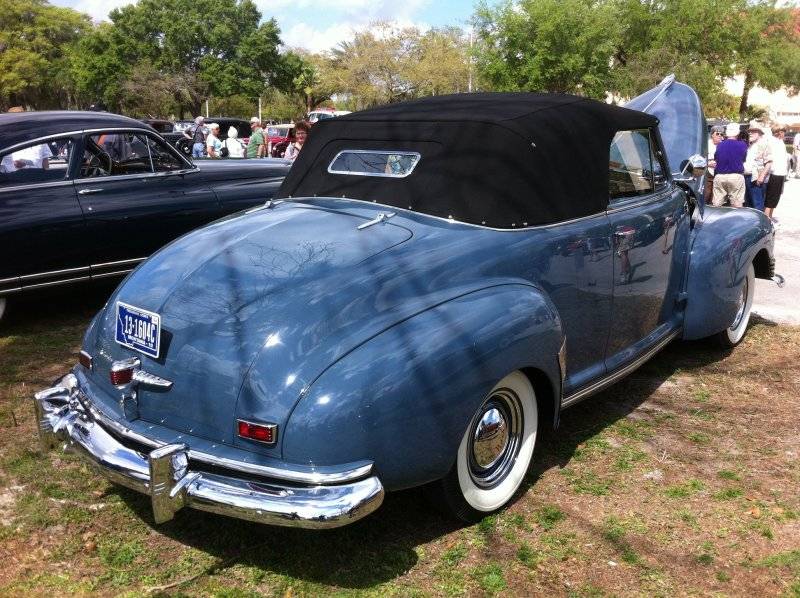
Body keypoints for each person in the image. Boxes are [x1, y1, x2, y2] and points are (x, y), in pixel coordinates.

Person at [712, 122, 748, 207]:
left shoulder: (719, 145)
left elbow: (716, 158)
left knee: (717, 204)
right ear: (737, 133)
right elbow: (743, 159)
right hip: (736, 176)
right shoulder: (742, 145)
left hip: (720, 176)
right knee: (737, 204)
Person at [743, 122, 772, 211]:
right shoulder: (749, 145)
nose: (750, 133)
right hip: (746, 176)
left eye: (754, 131)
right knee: (748, 204)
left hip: (756, 178)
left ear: (760, 133)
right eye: (750, 131)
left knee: (757, 205)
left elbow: (769, 162)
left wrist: (762, 176)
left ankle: (759, 224)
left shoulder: (764, 144)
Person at [765, 124, 788, 221]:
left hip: (781, 173)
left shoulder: (780, 142)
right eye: (783, 132)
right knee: (771, 198)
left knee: (775, 198)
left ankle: (769, 218)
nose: (784, 134)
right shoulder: (772, 142)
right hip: (774, 173)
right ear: (779, 132)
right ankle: (766, 220)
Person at [705, 125, 724, 204]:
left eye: (721, 134)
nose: (720, 136)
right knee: (706, 194)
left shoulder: (723, 145)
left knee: (716, 198)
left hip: (719, 175)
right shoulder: (706, 145)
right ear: (712, 134)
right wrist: (708, 164)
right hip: (707, 174)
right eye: (717, 134)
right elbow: (698, 158)